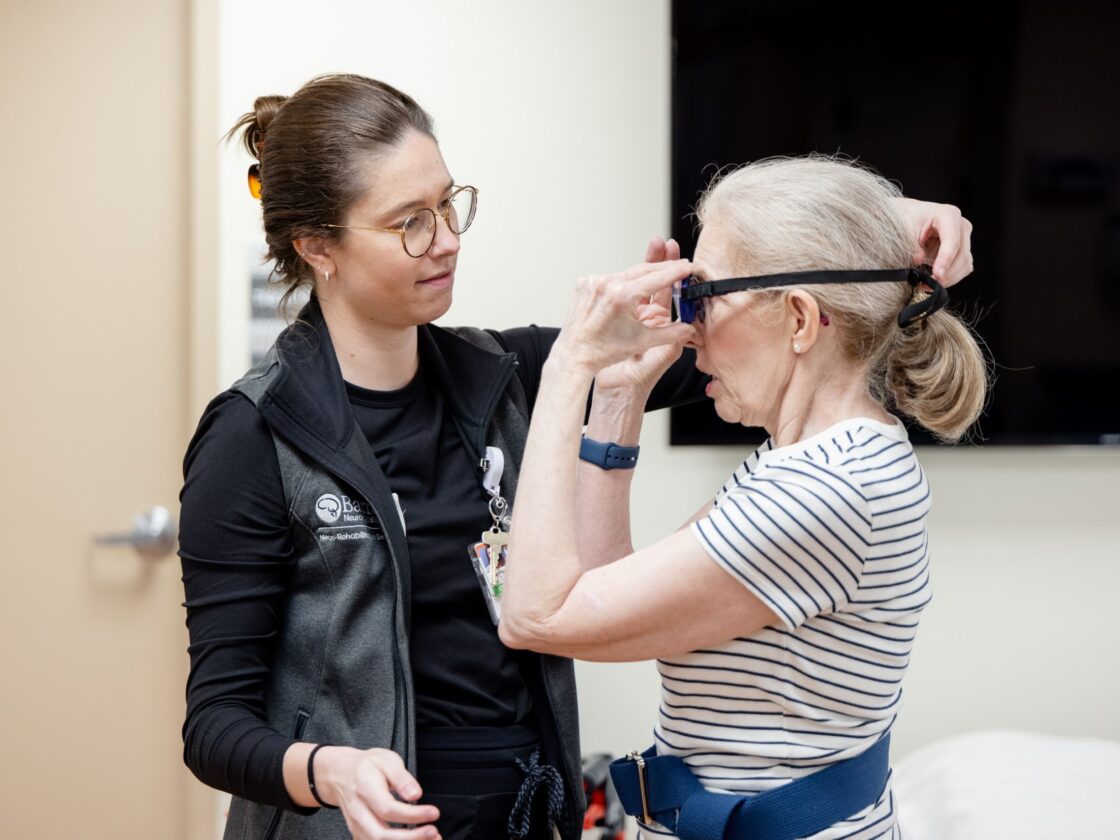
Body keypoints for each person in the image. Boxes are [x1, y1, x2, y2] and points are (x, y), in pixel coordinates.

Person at [178, 73, 976, 840]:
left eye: (449, 204)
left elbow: (760, 327)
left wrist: (881, 225)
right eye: (409, 222)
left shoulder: (501, 379)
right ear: (318, 246)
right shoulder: (255, 436)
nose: (446, 240)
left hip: (524, 812)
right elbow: (214, 726)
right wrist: (330, 771)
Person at [500, 156, 987, 840]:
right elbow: (609, 601)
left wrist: (568, 366)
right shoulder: (811, 462)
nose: (688, 328)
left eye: (702, 298)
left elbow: (536, 616)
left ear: (798, 318)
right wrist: (616, 397)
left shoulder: (825, 489)